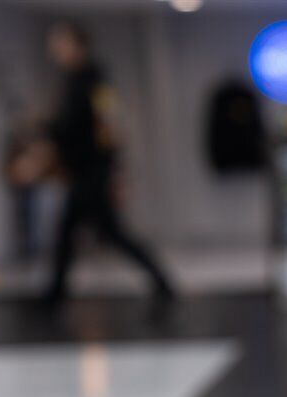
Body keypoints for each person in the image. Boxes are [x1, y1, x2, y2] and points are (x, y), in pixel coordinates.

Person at [42, 21, 174, 301]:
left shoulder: (93, 81)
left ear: (77, 45)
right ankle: (55, 293)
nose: (56, 50)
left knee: (107, 233)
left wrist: (115, 169)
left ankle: (161, 280)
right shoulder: (72, 82)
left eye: (61, 43)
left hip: (94, 172)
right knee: (75, 232)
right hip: (82, 171)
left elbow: (108, 126)